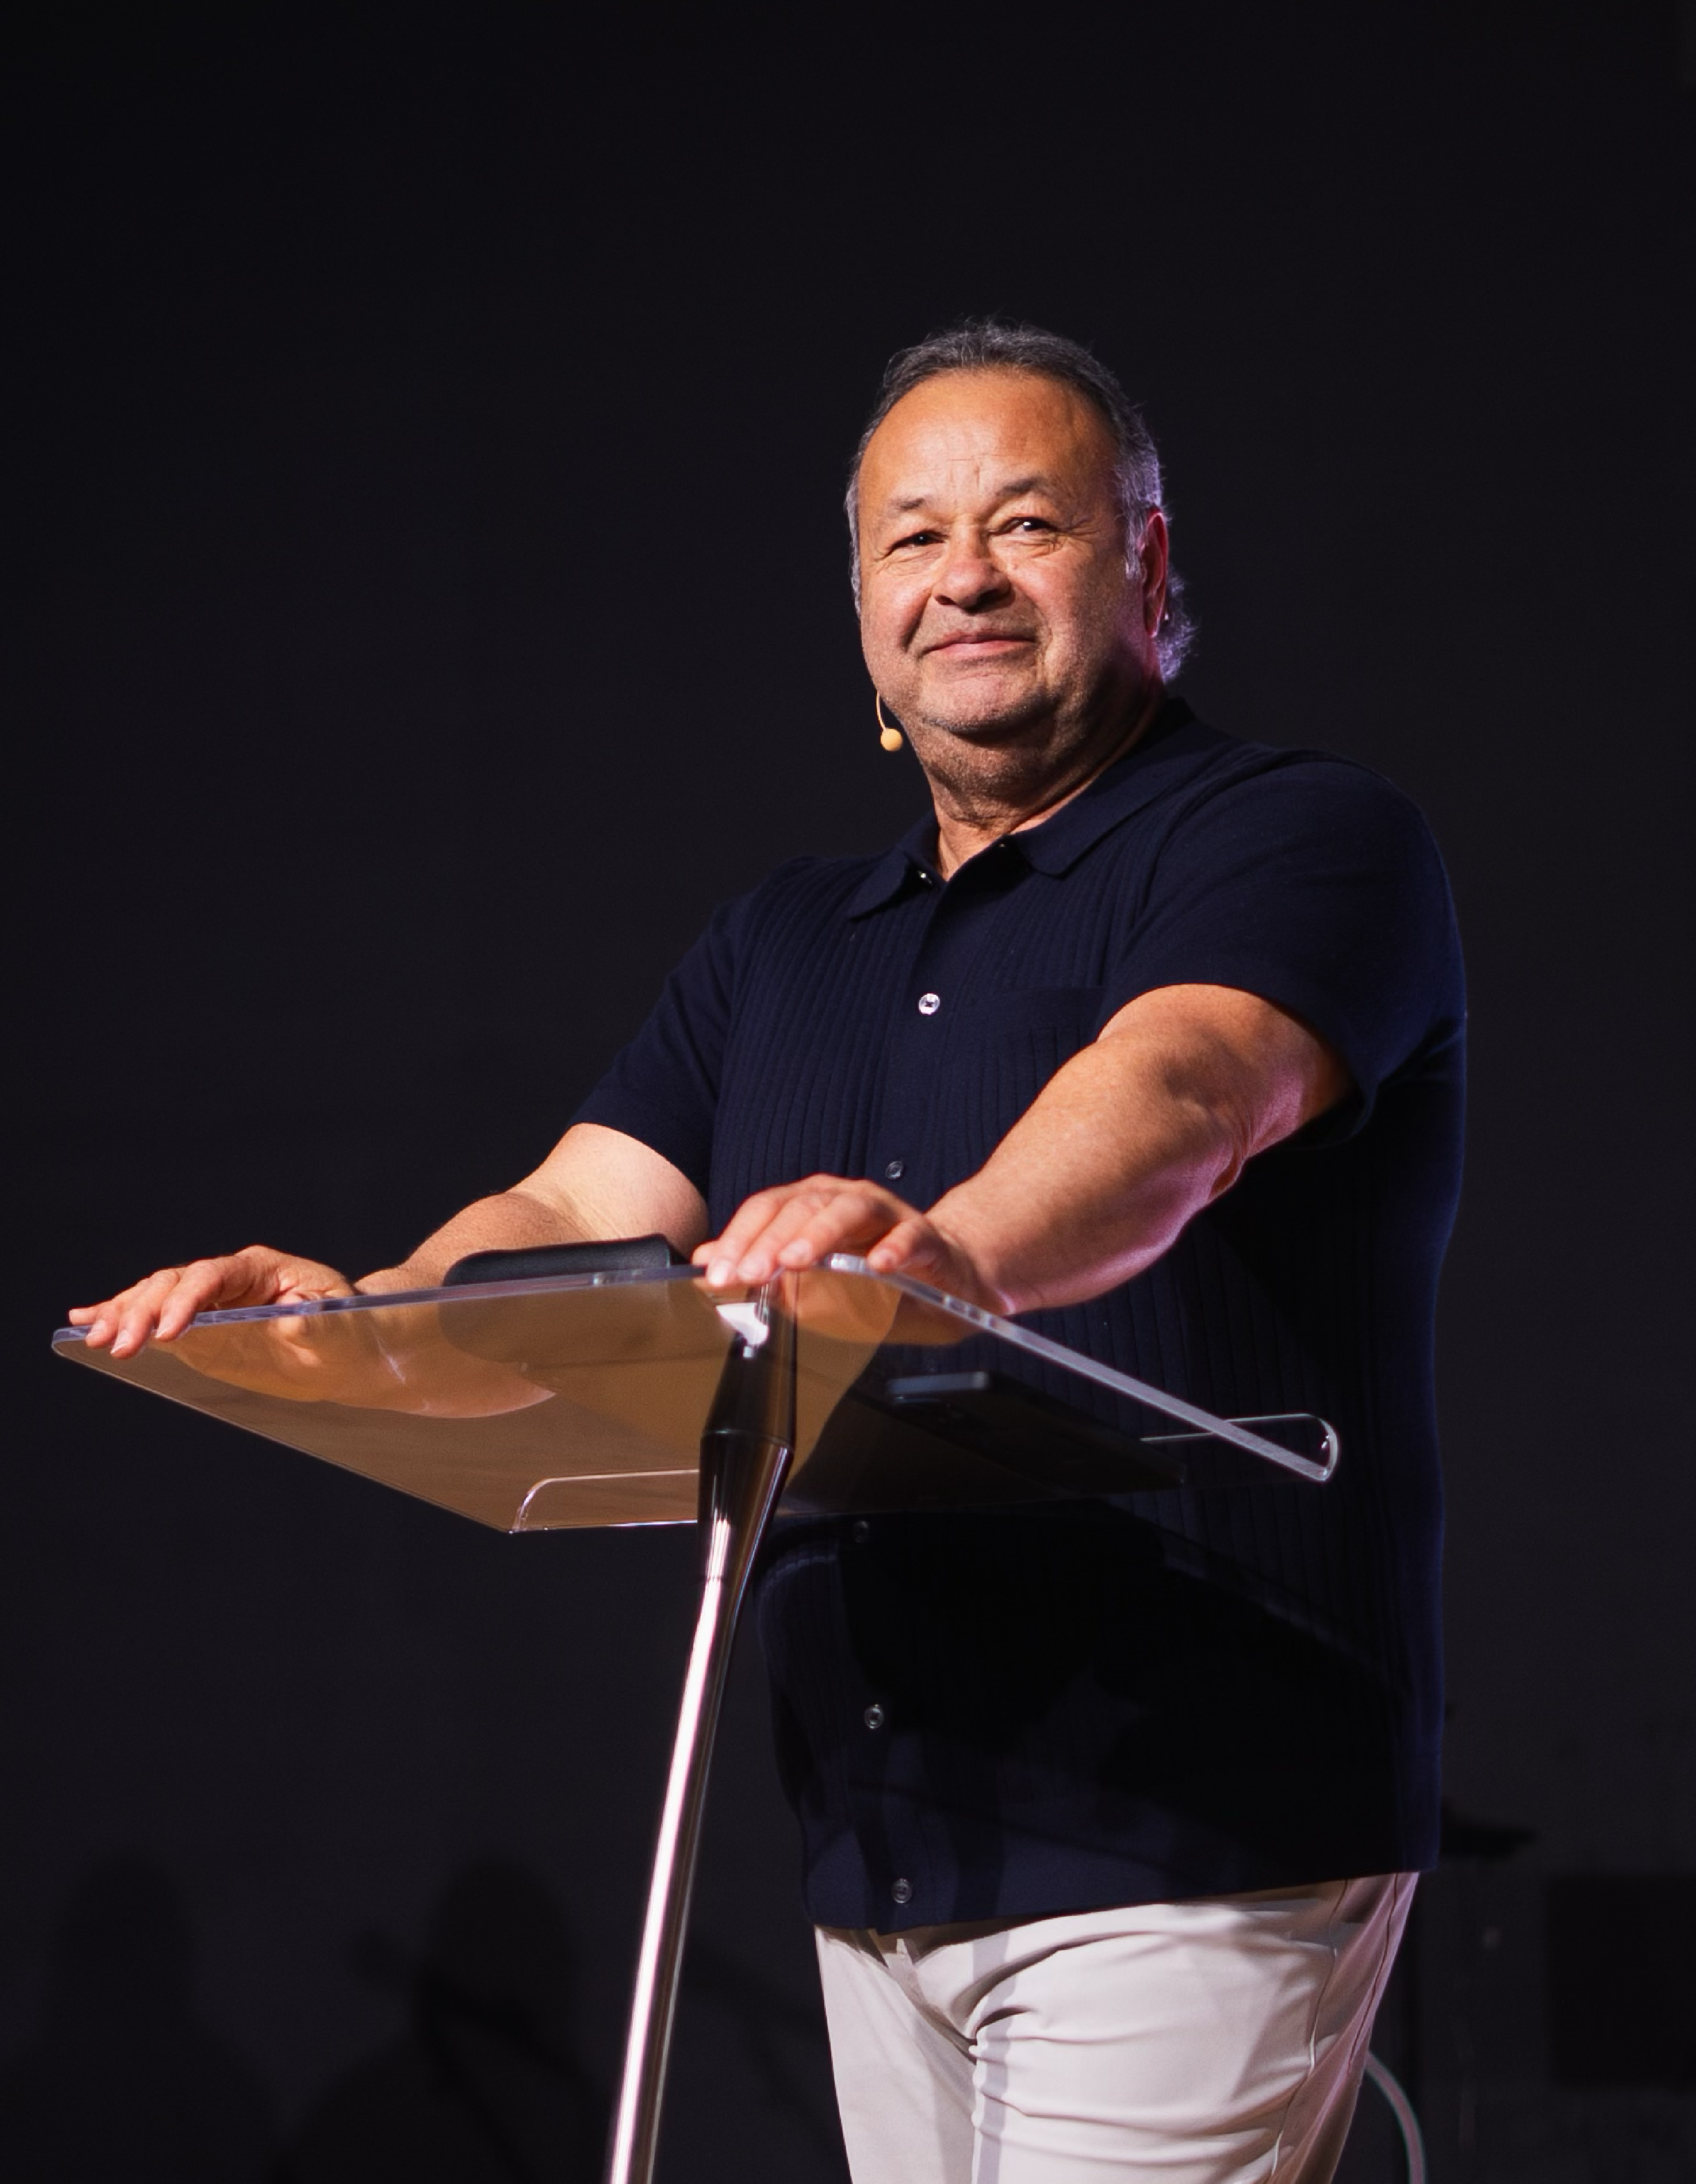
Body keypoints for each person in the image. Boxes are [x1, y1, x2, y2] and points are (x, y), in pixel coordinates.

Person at [72, 321, 1465, 2184]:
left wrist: (944, 1244)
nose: (960, 573)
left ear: (1142, 561)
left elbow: (1183, 1091)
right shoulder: (782, 940)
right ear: (861, 601)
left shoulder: (1298, 836)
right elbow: (568, 1217)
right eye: (909, 536)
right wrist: (363, 1315)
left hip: (1195, 1818)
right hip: (884, 1837)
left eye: (1024, 521)